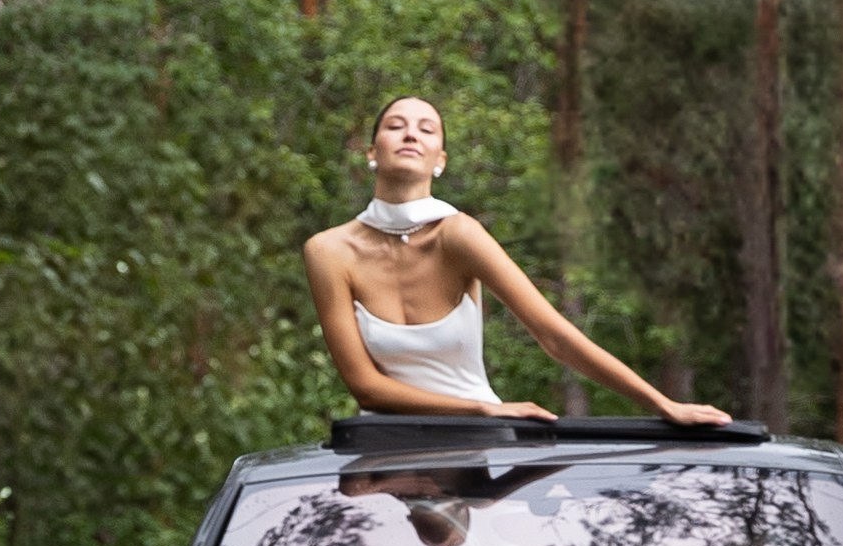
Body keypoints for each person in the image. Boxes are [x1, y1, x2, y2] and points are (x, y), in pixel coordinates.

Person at [304, 93, 730, 425]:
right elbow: (366, 388)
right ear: (372, 152)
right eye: (396, 126)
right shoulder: (328, 251)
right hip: (380, 455)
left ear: (441, 161)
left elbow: (555, 336)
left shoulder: (459, 235)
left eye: (427, 130)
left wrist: (662, 404)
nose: (411, 135)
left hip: (477, 445)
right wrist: (481, 410)